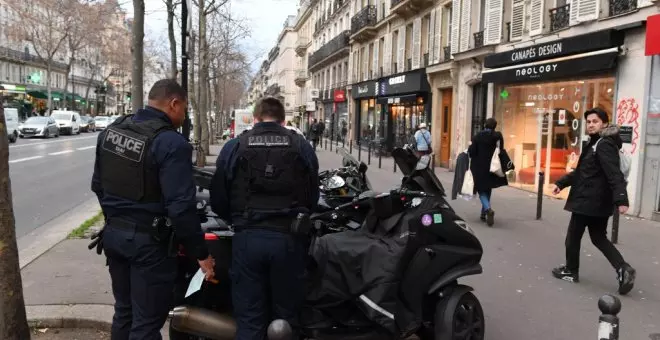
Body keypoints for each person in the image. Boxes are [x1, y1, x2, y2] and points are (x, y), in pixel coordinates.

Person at [91, 79, 215, 340]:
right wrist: (201, 254)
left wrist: (115, 219)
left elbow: (98, 186)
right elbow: (181, 207)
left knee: (124, 313)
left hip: (113, 235)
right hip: (149, 246)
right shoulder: (171, 143)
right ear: (174, 103)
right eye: (184, 108)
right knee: (147, 323)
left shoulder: (111, 132)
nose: (184, 115)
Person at [210, 97, 320, 339]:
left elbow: (218, 196)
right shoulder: (301, 146)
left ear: (256, 118)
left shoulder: (235, 146)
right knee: (287, 320)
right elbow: (313, 196)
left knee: (249, 320)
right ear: (283, 121)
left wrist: (237, 220)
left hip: (247, 238)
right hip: (288, 240)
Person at [551, 108, 636, 294]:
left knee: (573, 236)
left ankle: (571, 271)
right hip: (597, 201)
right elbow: (582, 172)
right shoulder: (597, 143)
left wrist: (622, 199)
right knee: (598, 237)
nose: (590, 125)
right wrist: (561, 183)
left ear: (604, 124)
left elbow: (614, 173)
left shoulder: (603, 145)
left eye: (595, 121)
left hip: (588, 200)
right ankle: (623, 269)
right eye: (588, 122)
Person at [467, 117, 508, 226]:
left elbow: (472, 152)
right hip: (493, 167)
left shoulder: (477, 136)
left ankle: (488, 209)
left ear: (485, 125)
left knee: (481, 189)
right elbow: (501, 149)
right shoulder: (498, 136)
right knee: (488, 187)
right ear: (495, 126)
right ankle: (483, 213)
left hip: (479, 167)